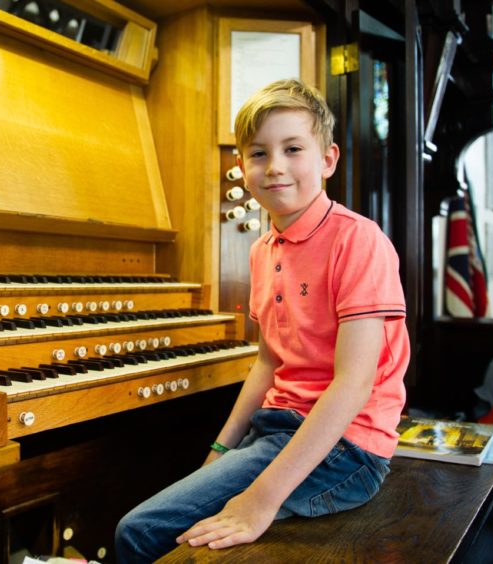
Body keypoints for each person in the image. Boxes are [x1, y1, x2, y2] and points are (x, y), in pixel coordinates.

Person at [114, 78, 410, 562]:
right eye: (258, 154)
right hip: (279, 426)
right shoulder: (262, 250)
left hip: (347, 447)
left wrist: (260, 501)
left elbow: (354, 385)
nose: (275, 167)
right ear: (241, 167)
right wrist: (219, 452)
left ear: (328, 159)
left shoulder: (359, 240)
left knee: (139, 532)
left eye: (293, 148)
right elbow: (269, 364)